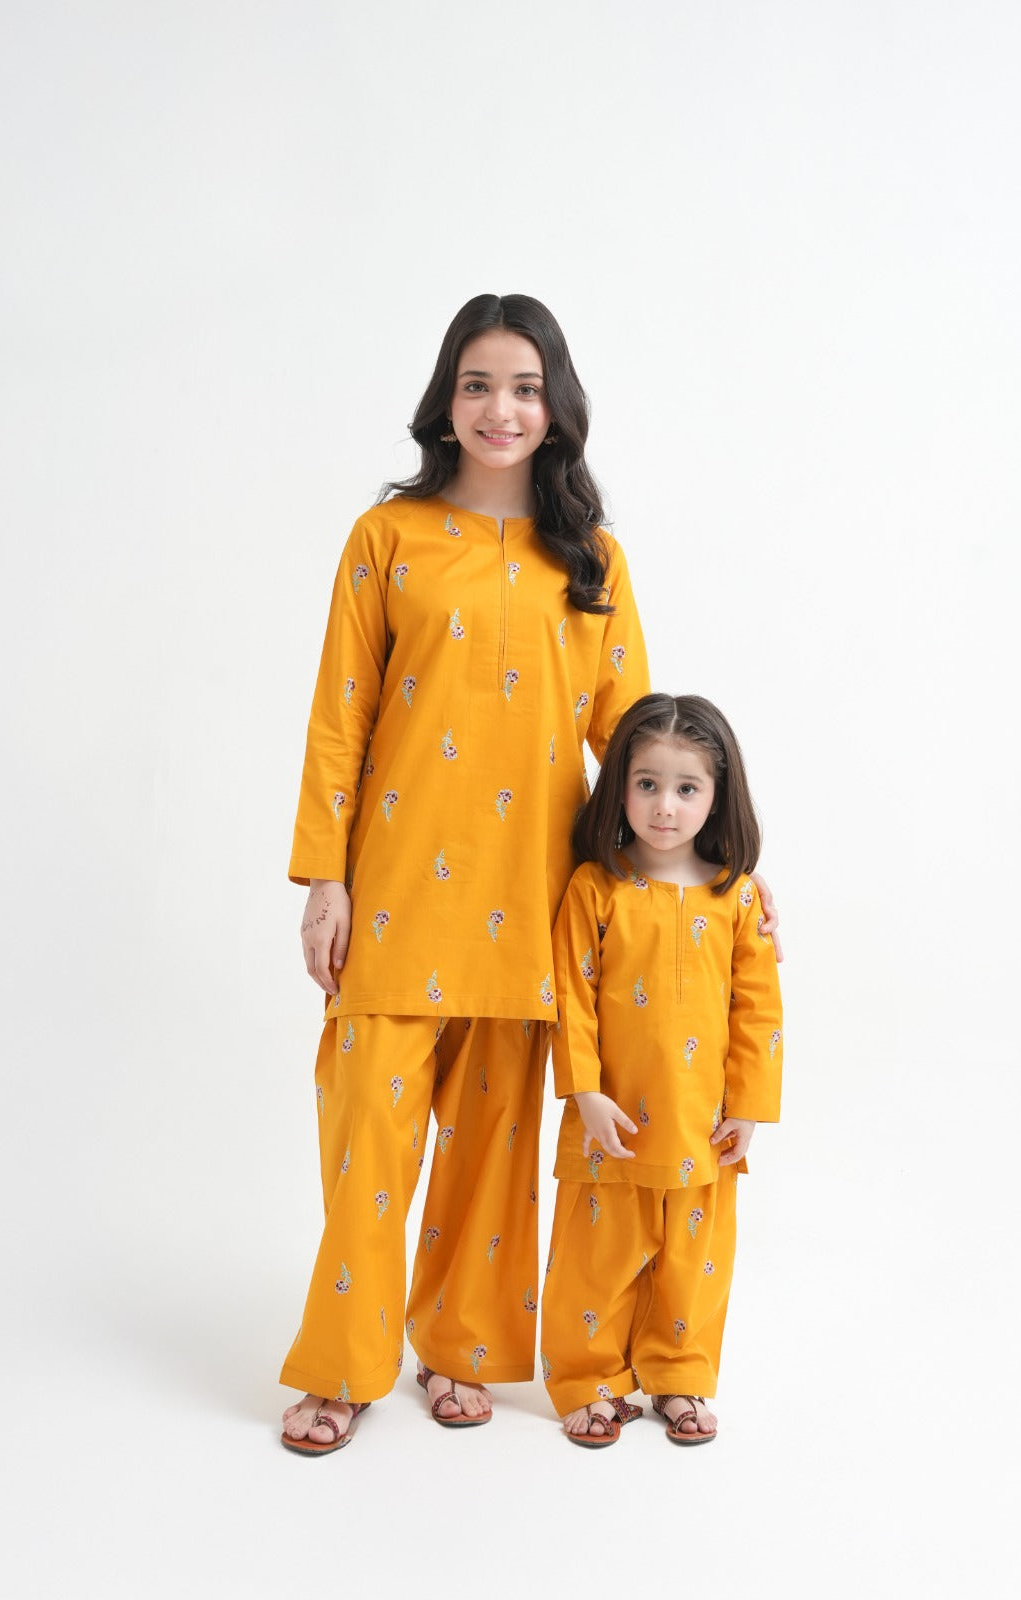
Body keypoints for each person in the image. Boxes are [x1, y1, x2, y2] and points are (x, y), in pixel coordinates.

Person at [278, 293, 654, 1453]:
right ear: (447, 400)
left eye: (526, 388)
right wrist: (324, 878)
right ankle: (344, 1364)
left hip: (528, 897)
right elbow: (340, 715)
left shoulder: (590, 561)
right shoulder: (385, 538)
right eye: (479, 384)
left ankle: (464, 1348)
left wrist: (713, 866)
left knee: (493, 1150)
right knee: (369, 1135)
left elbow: (633, 740)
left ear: (556, 408)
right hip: (395, 889)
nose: (502, 409)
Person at [540, 693, 782, 1448]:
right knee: (595, 1260)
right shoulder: (595, 888)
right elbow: (571, 999)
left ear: (718, 795)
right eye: (646, 784)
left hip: (702, 1125)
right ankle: (588, 1381)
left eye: (686, 788)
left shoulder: (736, 898)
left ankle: (680, 1377)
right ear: (619, 786)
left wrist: (748, 1106)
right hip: (610, 1120)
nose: (665, 807)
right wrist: (585, 1092)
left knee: (693, 1263)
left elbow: (758, 1011)